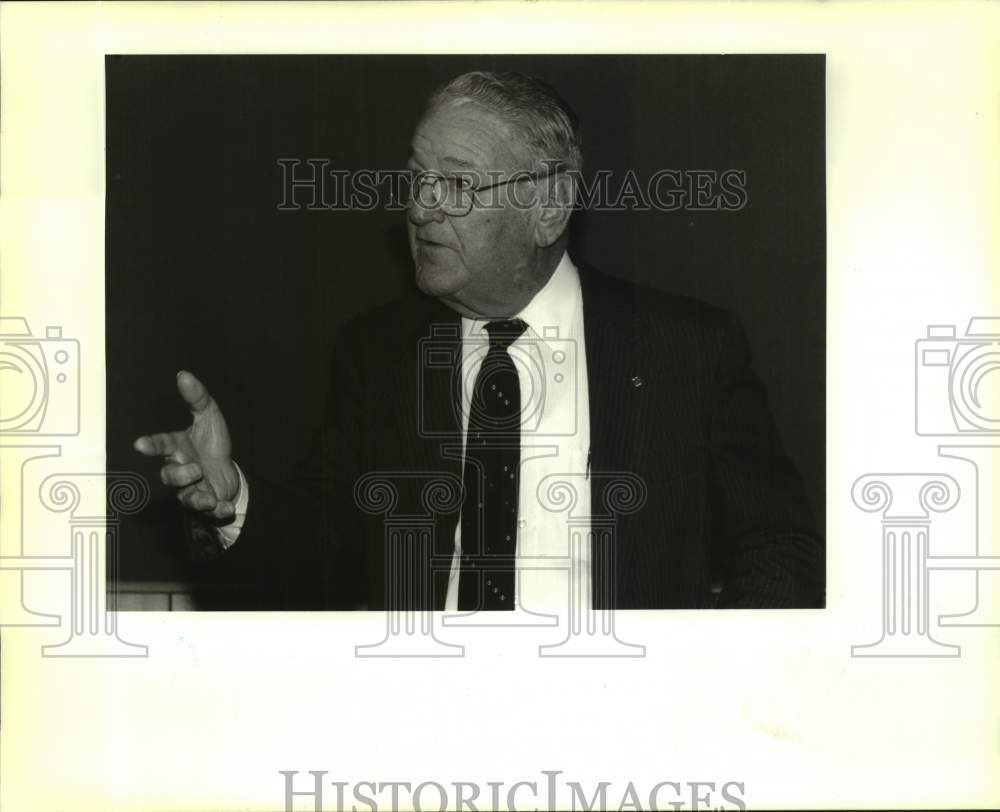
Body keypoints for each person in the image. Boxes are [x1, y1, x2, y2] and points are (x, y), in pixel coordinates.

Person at [134, 70, 823, 611]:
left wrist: (708, 690)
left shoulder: (686, 350)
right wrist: (233, 502)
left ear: (549, 208)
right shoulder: (378, 354)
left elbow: (780, 549)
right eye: (417, 178)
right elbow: (327, 553)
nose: (419, 207)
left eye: (457, 184)